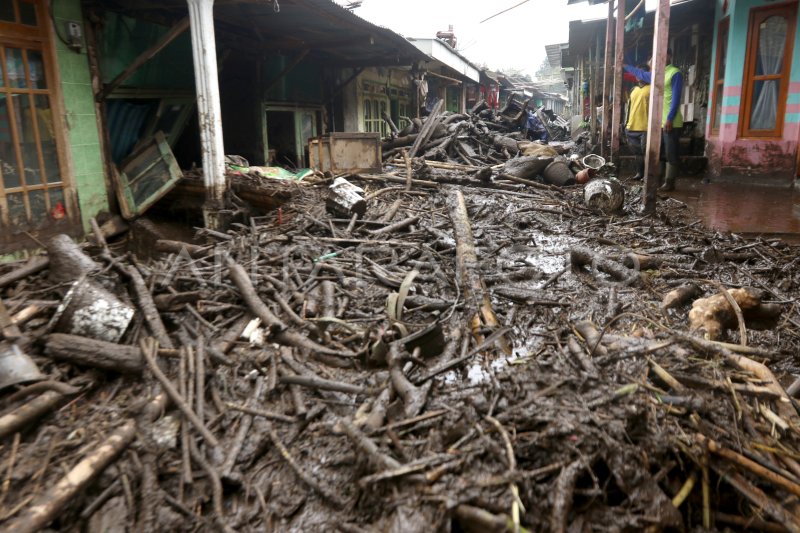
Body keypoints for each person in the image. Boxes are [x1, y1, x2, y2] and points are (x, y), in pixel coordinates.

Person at [623, 50, 683, 191]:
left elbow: (676, 98)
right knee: (659, 153)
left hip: (671, 122)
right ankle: (659, 180)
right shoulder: (656, 75)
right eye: (653, 59)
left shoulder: (675, 73)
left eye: (660, 56)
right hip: (659, 123)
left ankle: (670, 183)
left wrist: (669, 118)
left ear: (668, 56)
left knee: (670, 153)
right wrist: (625, 65)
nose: (656, 60)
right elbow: (640, 73)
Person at [625, 66, 651, 181]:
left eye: (642, 73)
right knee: (637, 153)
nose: (639, 75)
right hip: (632, 126)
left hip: (645, 127)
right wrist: (626, 124)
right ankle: (639, 173)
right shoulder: (633, 90)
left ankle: (647, 175)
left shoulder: (651, 89)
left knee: (646, 153)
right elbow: (629, 108)